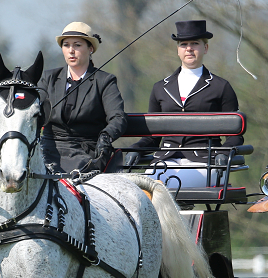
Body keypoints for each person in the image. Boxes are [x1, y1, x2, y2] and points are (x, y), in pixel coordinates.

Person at [129, 19, 242, 188]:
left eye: (195, 43)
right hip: (166, 160)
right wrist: (136, 149)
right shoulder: (160, 88)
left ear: (205, 48)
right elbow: (152, 137)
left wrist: (223, 154)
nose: (189, 48)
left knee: (163, 186)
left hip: (206, 163)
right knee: (139, 188)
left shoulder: (221, 87)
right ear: (178, 50)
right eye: (183, 44)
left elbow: (235, 135)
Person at [38, 21, 127, 173]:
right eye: (66, 45)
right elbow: (33, 110)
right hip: (48, 150)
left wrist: (106, 136)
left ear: (90, 48)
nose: (71, 51)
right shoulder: (48, 78)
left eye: (77, 45)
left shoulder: (104, 81)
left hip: (86, 153)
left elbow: (118, 118)